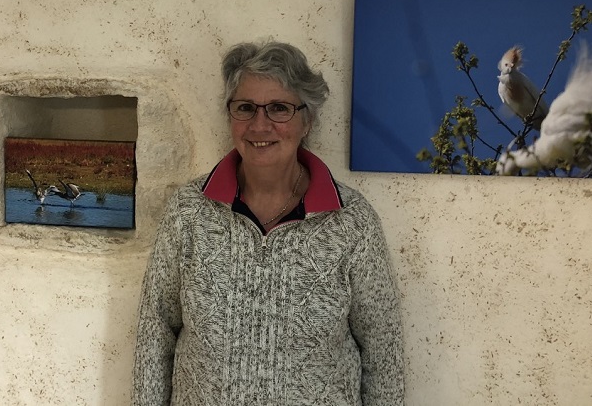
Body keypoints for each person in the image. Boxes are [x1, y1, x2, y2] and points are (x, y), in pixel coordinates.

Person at [132, 41, 405, 405]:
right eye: (245, 108)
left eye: (279, 108)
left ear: (307, 120)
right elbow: (156, 330)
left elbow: (382, 350)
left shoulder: (351, 222)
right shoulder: (189, 211)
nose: (260, 125)